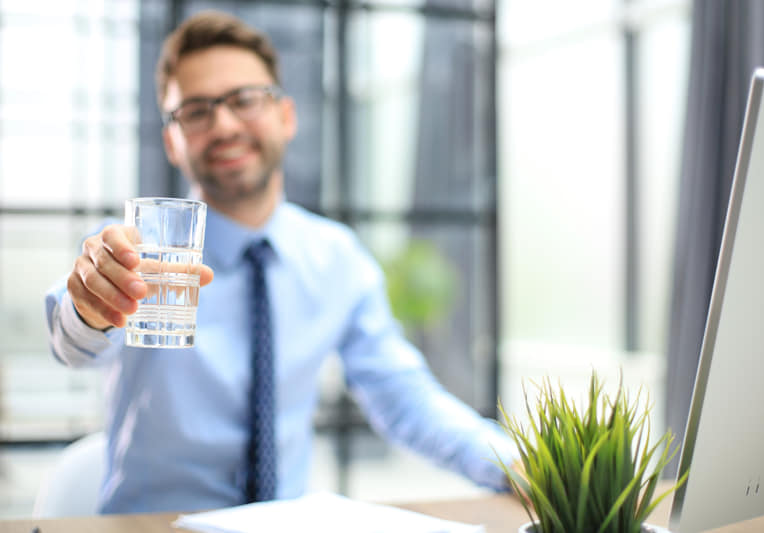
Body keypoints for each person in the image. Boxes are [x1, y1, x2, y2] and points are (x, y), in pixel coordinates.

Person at [45, 10, 514, 514]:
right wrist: (92, 307)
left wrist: (517, 465)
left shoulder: (337, 259)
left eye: (244, 100)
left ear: (287, 117)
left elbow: (403, 396)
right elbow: (74, 343)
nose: (223, 124)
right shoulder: (136, 252)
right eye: (196, 111)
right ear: (172, 141)